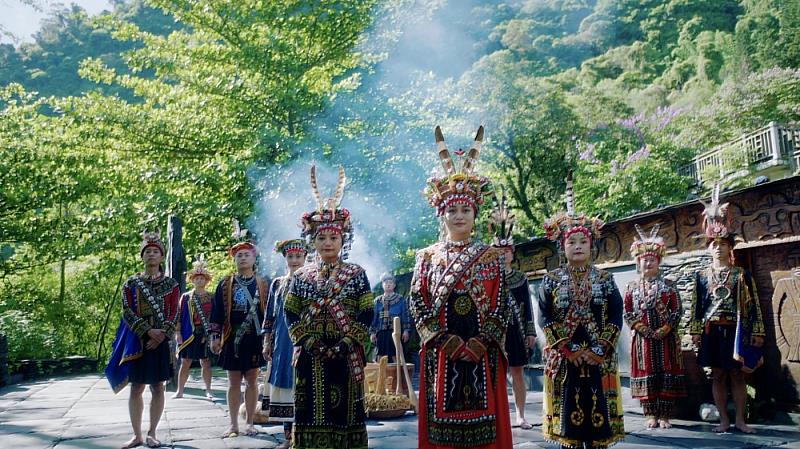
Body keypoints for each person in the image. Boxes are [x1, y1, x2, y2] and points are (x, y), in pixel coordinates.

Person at [410, 126, 513, 449]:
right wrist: (444, 341)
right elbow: (418, 301)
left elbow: (502, 304)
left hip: (483, 352)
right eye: (452, 210)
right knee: (441, 431)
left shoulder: (492, 257)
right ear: (442, 214)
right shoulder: (426, 257)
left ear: (475, 213)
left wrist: (482, 342)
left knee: (486, 430)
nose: (459, 216)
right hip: (441, 353)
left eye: (465, 209)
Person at [284, 165, 374, 449]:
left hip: (346, 353)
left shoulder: (357, 274)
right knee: (310, 410)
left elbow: (366, 312)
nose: (327, 242)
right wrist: (309, 341)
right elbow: (290, 312)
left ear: (342, 239)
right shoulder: (301, 276)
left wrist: (347, 342)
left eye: (333, 237)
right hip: (310, 355)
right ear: (313, 241)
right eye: (321, 238)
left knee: (345, 412)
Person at [539, 175, 625, 449]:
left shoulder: (605, 279)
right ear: (563, 247)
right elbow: (545, 317)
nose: (577, 246)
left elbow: (614, 315)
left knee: (598, 422)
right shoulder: (550, 280)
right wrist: (570, 349)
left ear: (591, 246)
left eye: (582, 242)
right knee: (569, 426)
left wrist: (599, 349)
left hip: (599, 358)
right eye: (571, 242)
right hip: (566, 359)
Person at [689, 184, 765, 434]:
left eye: (723, 244)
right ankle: (723, 420)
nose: (719, 248)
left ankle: (741, 420)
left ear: (730, 247)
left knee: (738, 375)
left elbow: (753, 303)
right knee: (718, 375)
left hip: (736, 330)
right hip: (712, 330)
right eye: (714, 244)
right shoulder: (701, 277)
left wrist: (757, 332)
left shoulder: (742, 275)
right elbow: (696, 306)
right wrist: (696, 331)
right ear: (709, 248)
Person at [105, 231, 180, 449]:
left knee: (158, 387)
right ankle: (136, 435)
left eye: (156, 251)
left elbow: (175, 312)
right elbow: (127, 311)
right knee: (136, 387)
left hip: (160, 343)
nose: (152, 255)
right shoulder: (131, 284)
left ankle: (152, 433)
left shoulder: (172, 285)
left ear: (161, 256)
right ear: (142, 256)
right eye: (148, 251)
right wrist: (148, 331)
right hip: (138, 341)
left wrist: (160, 335)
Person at [209, 220, 268, 438]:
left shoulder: (264, 283)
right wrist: (214, 336)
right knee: (233, 381)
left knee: (252, 380)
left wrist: (269, 338)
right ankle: (233, 424)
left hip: (254, 338)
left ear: (254, 258)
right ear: (234, 259)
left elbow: (268, 313)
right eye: (239, 255)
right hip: (232, 337)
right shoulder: (225, 284)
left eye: (246, 255)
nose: (242, 258)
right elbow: (215, 311)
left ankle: (250, 422)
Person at [623, 225, 686, 429]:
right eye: (643, 259)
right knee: (646, 372)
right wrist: (643, 329)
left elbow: (677, 310)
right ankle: (650, 414)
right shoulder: (631, 287)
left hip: (665, 338)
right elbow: (627, 312)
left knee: (666, 371)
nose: (647, 262)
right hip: (643, 340)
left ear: (658, 261)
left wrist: (665, 329)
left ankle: (665, 415)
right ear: (638, 262)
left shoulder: (669, 284)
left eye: (651, 259)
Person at [489, 191, 537, 429]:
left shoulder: (520, 278)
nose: (503, 254)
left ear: (512, 253)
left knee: (517, 372)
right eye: (498, 251)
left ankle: (520, 414)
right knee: (494, 374)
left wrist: (531, 332)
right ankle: (498, 415)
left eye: (506, 251)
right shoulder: (487, 277)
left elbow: (527, 307)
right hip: (493, 332)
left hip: (516, 330)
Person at [262, 239, 307, 449]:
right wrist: (266, 341)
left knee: (305, 385)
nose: (294, 260)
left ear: (305, 258)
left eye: (298, 256)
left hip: (305, 341)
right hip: (282, 342)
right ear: (285, 259)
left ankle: (305, 435)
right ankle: (288, 437)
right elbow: (269, 315)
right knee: (284, 386)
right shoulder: (277, 284)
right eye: (290, 257)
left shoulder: (312, 281)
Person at [173, 255, 214, 400]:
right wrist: (177, 332)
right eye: (196, 278)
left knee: (206, 362)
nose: (199, 280)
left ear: (206, 280)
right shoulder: (186, 297)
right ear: (192, 280)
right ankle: (180, 391)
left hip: (205, 334)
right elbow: (178, 314)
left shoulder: (212, 297)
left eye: (202, 278)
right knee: (185, 362)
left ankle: (208, 390)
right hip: (189, 333)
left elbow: (215, 317)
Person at [369, 272, 411, 362]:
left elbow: (405, 315)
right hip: (381, 333)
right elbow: (373, 318)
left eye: (390, 283)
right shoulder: (377, 301)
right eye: (386, 283)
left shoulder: (400, 299)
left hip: (396, 332)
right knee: (379, 356)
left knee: (396, 355)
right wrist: (372, 333)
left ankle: (398, 375)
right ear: (382, 285)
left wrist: (406, 331)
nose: (388, 285)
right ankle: (380, 375)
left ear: (394, 285)